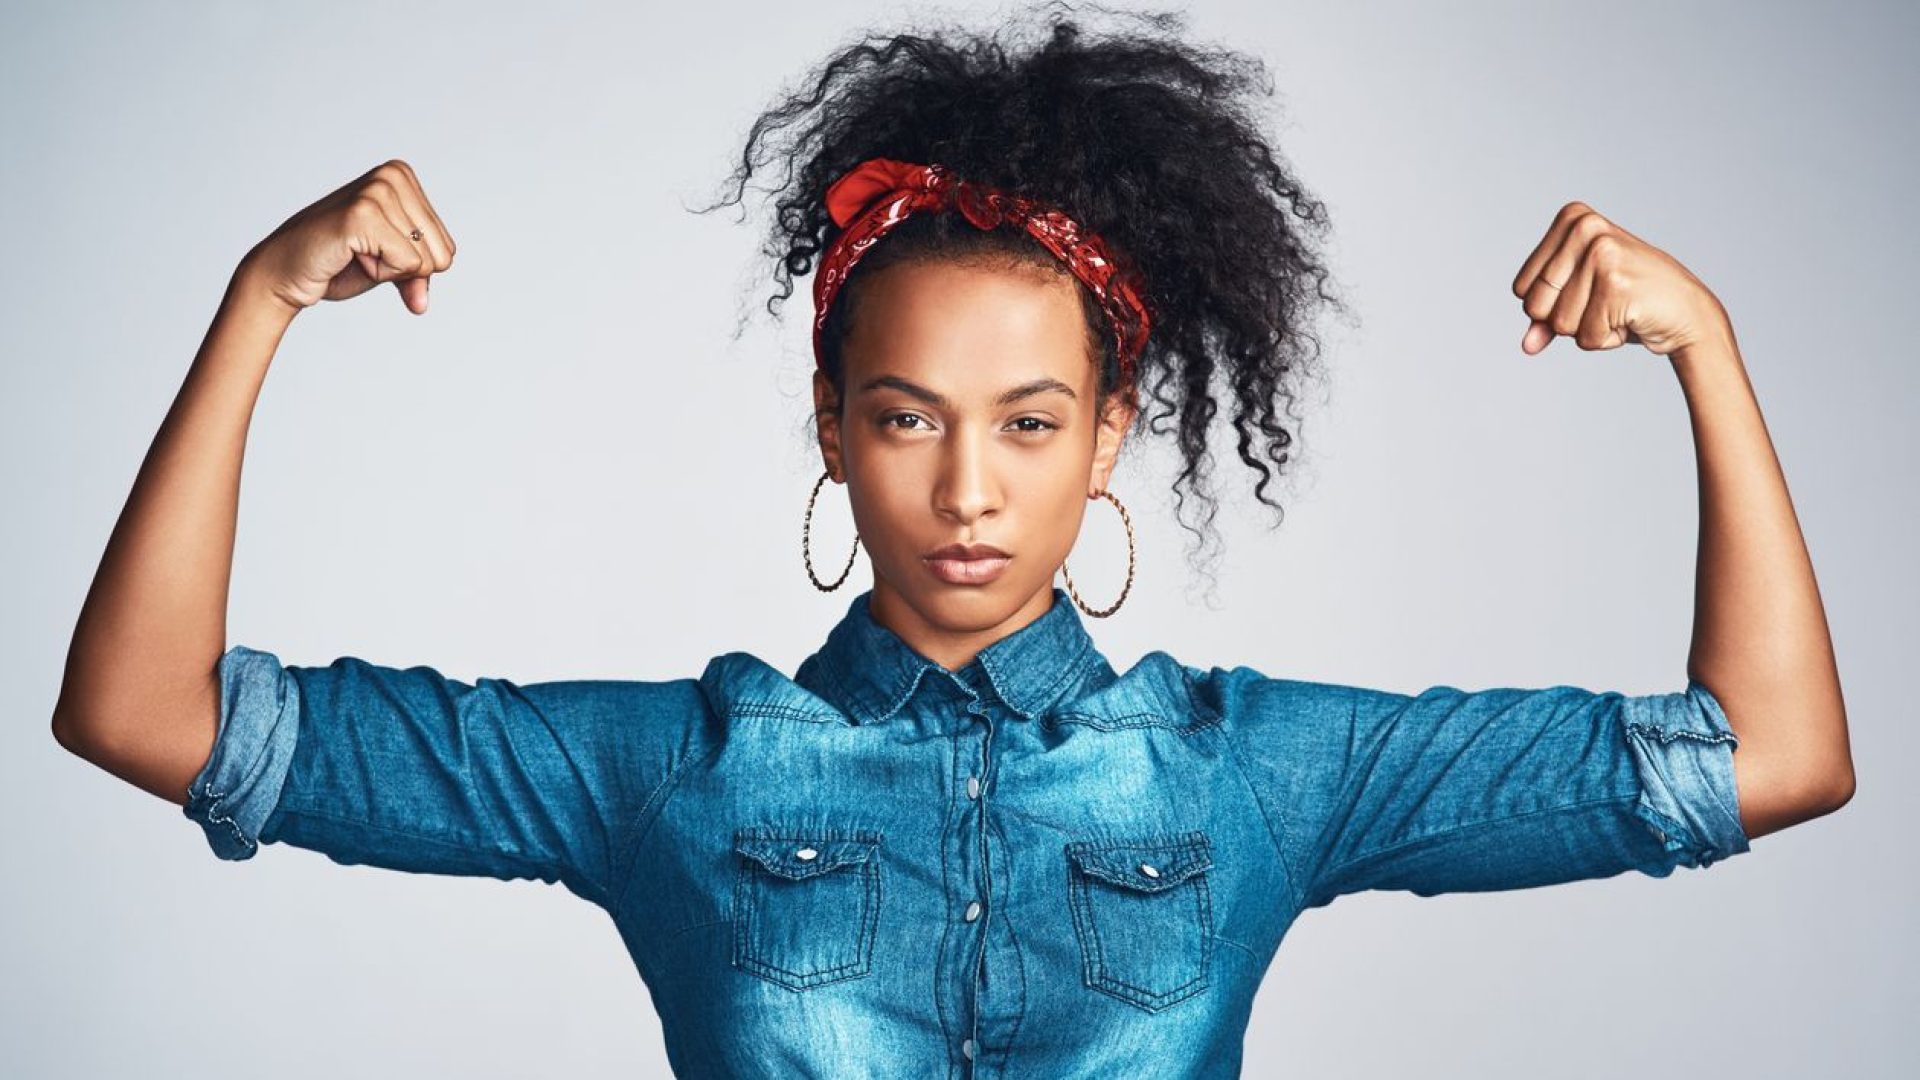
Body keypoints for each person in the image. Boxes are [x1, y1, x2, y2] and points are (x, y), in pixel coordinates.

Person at [51, 6, 1853, 1077]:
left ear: (1111, 439)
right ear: (835, 430)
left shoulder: (1259, 775)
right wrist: (257, 302)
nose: (970, 492)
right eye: (910, 417)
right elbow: (149, 716)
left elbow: (1770, 762)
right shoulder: (670, 771)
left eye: (1032, 424)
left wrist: (1708, 347)